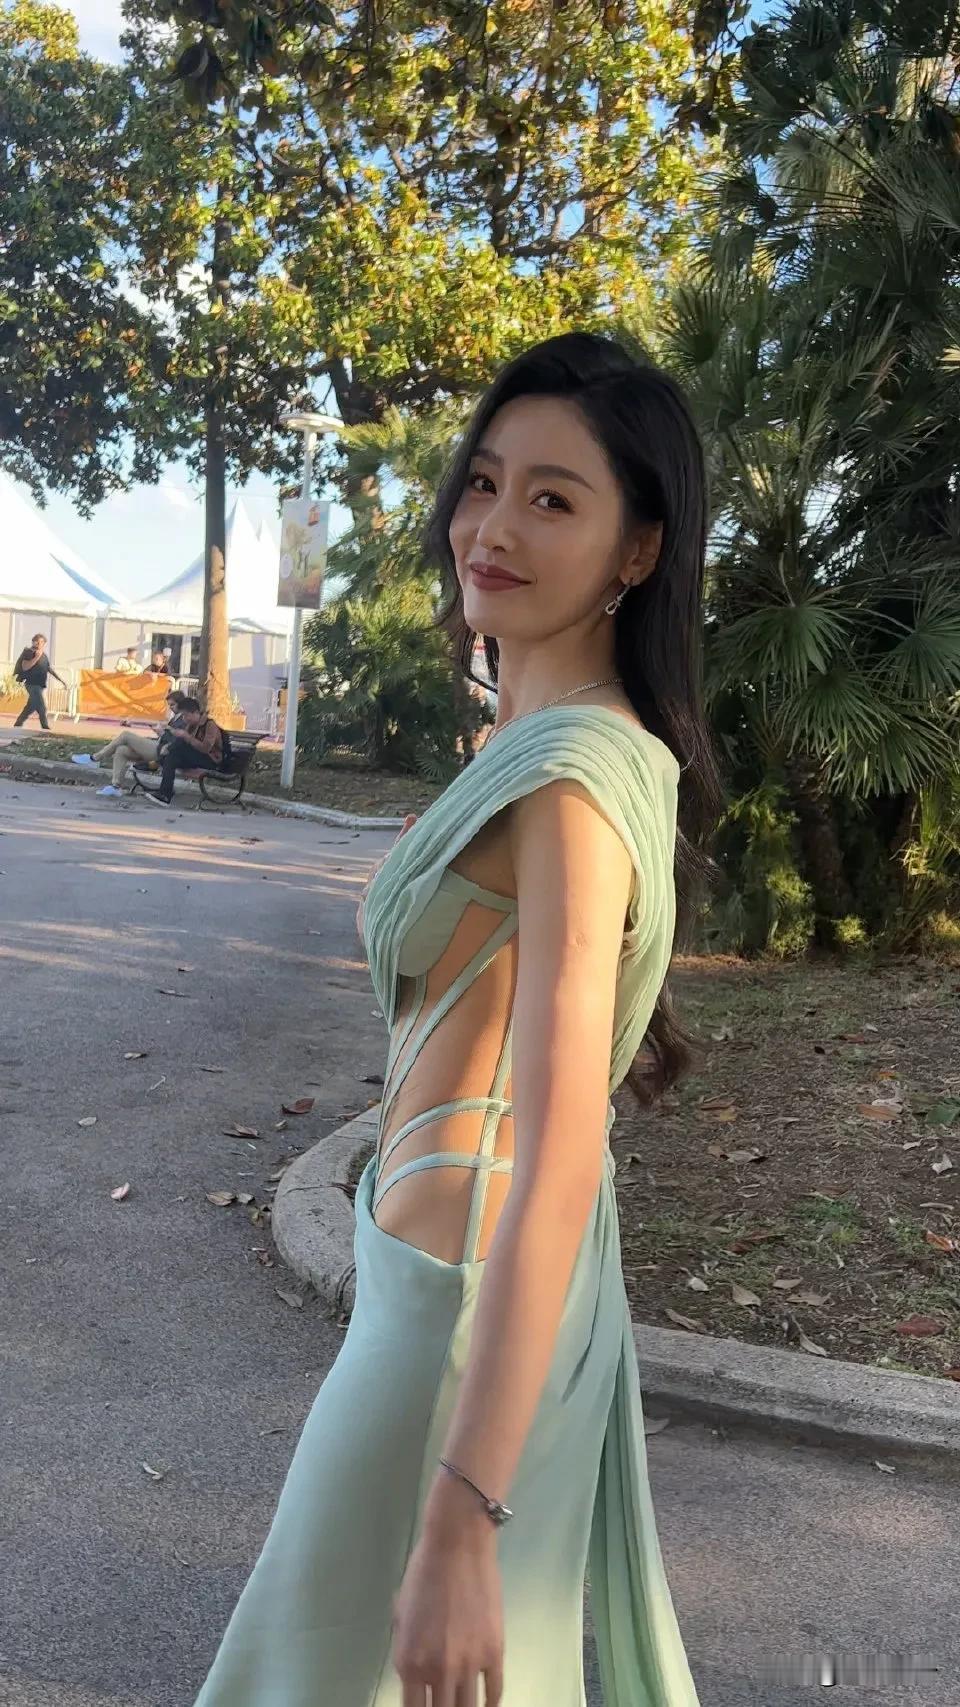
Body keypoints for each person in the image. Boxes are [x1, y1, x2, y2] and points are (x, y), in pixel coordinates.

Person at [190, 332, 720, 1707]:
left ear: (637, 549)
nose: (492, 527)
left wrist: (465, 1517)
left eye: (553, 498)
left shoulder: (573, 782)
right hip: (441, 1282)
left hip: (458, 1322)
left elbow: (559, 1152)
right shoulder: (550, 742)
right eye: (484, 481)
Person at [71, 689, 190, 796]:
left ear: (181, 703)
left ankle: (94, 758)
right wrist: (160, 733)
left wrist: (163, 733)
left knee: (126, 735)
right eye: (169, 705)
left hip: (163, 752)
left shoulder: (184, 719)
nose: (170, 708)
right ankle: (115, 786)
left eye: (172, 705)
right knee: (121, 750)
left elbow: (178, 741)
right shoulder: (175, 718)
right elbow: (169, 736)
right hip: (158, 748)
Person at [144, 697, 226, 805]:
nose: (184, 719)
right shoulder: (191, 725)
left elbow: (206, 748)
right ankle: (165, 794)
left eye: (186, 715)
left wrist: (186, 736)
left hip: (211, 760)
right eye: (182, 716)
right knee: (171, 757)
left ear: (196, 713)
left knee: (178, 747)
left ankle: (156, 768)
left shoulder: (210, 725)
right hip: (195, 757)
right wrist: (176, 736)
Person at [13, 635, 65, 730]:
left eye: (40, 642)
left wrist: (60, 680)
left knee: (31, 706)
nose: (37, 643)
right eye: (36, 641)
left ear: (44, 643)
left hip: (40, 685)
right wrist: (36, 657)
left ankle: (18, 723)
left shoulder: (44, 655)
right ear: (33, 642)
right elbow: (25, 667)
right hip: (31, 684)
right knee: (41, 706)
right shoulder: (29, 652)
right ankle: (45, 727)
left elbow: (48, 669)